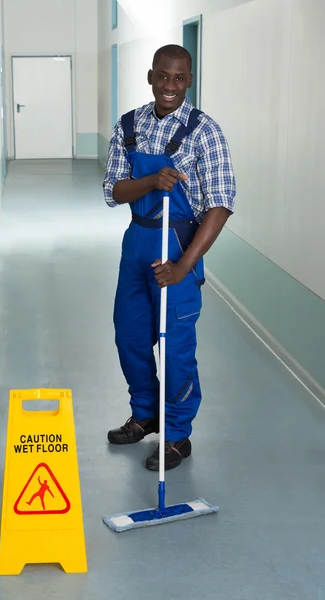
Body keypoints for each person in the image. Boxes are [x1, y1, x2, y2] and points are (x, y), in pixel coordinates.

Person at [103, 44, 236, 471]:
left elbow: (220, 205)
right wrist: (149, 181)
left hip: (178, 246)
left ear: (189, 81)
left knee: (175, 347)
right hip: (137, 244)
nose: (169, 86)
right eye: (163, 76)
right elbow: (113, 191)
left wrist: (183, 267)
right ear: (150, 76)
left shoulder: (205, 132)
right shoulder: (130, 125)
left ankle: (178, 435)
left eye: (179, 79)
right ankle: (146, 414)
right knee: (130, 335)